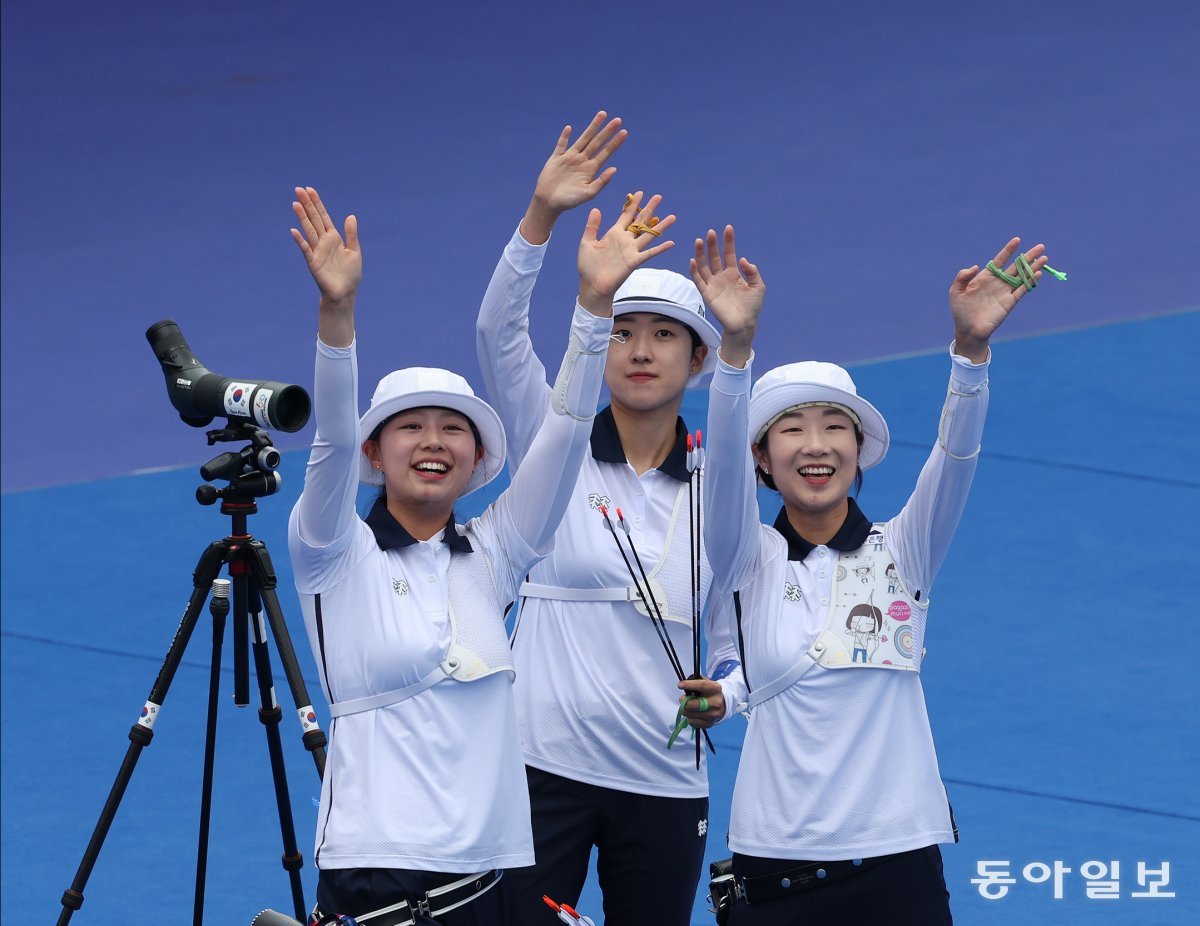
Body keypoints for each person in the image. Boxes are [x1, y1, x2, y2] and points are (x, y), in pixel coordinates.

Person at [286, 184, 667, 924]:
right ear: (375, 450)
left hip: (489, 885)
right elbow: (329, 436)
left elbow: (565, 430)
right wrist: (337, 316)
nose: (433, 442)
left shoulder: (494, 554)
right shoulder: (333, 551)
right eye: (411, 427)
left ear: (477, 454)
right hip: (375, 881)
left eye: (453, 429)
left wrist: (593, 307)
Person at [693, 226, 1051, 924]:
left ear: (860, 452)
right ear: (764, 459)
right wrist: (734, 354)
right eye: (792, 430)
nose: (817, 445)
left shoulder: (905, 550)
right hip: (775, 869)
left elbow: (956, 457)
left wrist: (971, 354)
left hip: (899, 865)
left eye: (836, 428)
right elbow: (722, 470)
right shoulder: (745, 556)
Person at [475, 113, 746, 926]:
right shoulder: (550, 436)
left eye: (665, 335)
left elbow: (739, 638)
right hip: (538, 762)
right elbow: (497, 332)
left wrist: (725, 696)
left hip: (664, 781)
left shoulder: (718, 488)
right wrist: (540, 218)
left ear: (698, 362)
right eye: (622, 331)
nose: (639, 349)